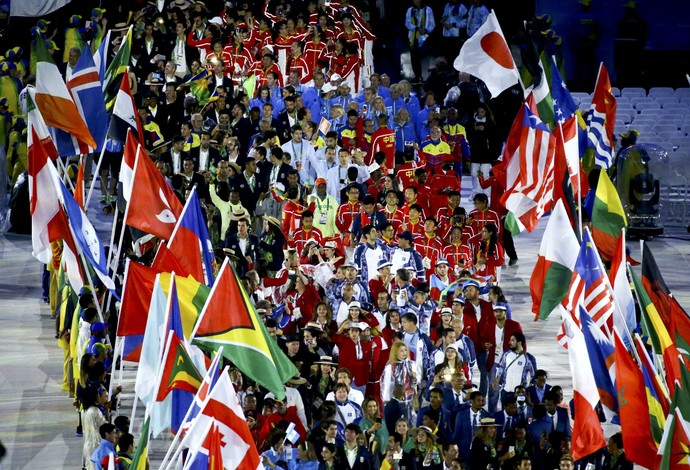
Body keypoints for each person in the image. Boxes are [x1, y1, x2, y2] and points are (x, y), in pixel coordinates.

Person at [405, 0, 435, 83]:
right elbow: (407, 23)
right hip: (413, 37)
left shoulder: (428, 10)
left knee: (426, 57)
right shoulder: (410, 10)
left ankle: (428, 76)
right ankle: (417, 75)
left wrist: (425, 30)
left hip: (425, 37)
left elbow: (432, 24)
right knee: (414, 58)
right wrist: (417, 28)